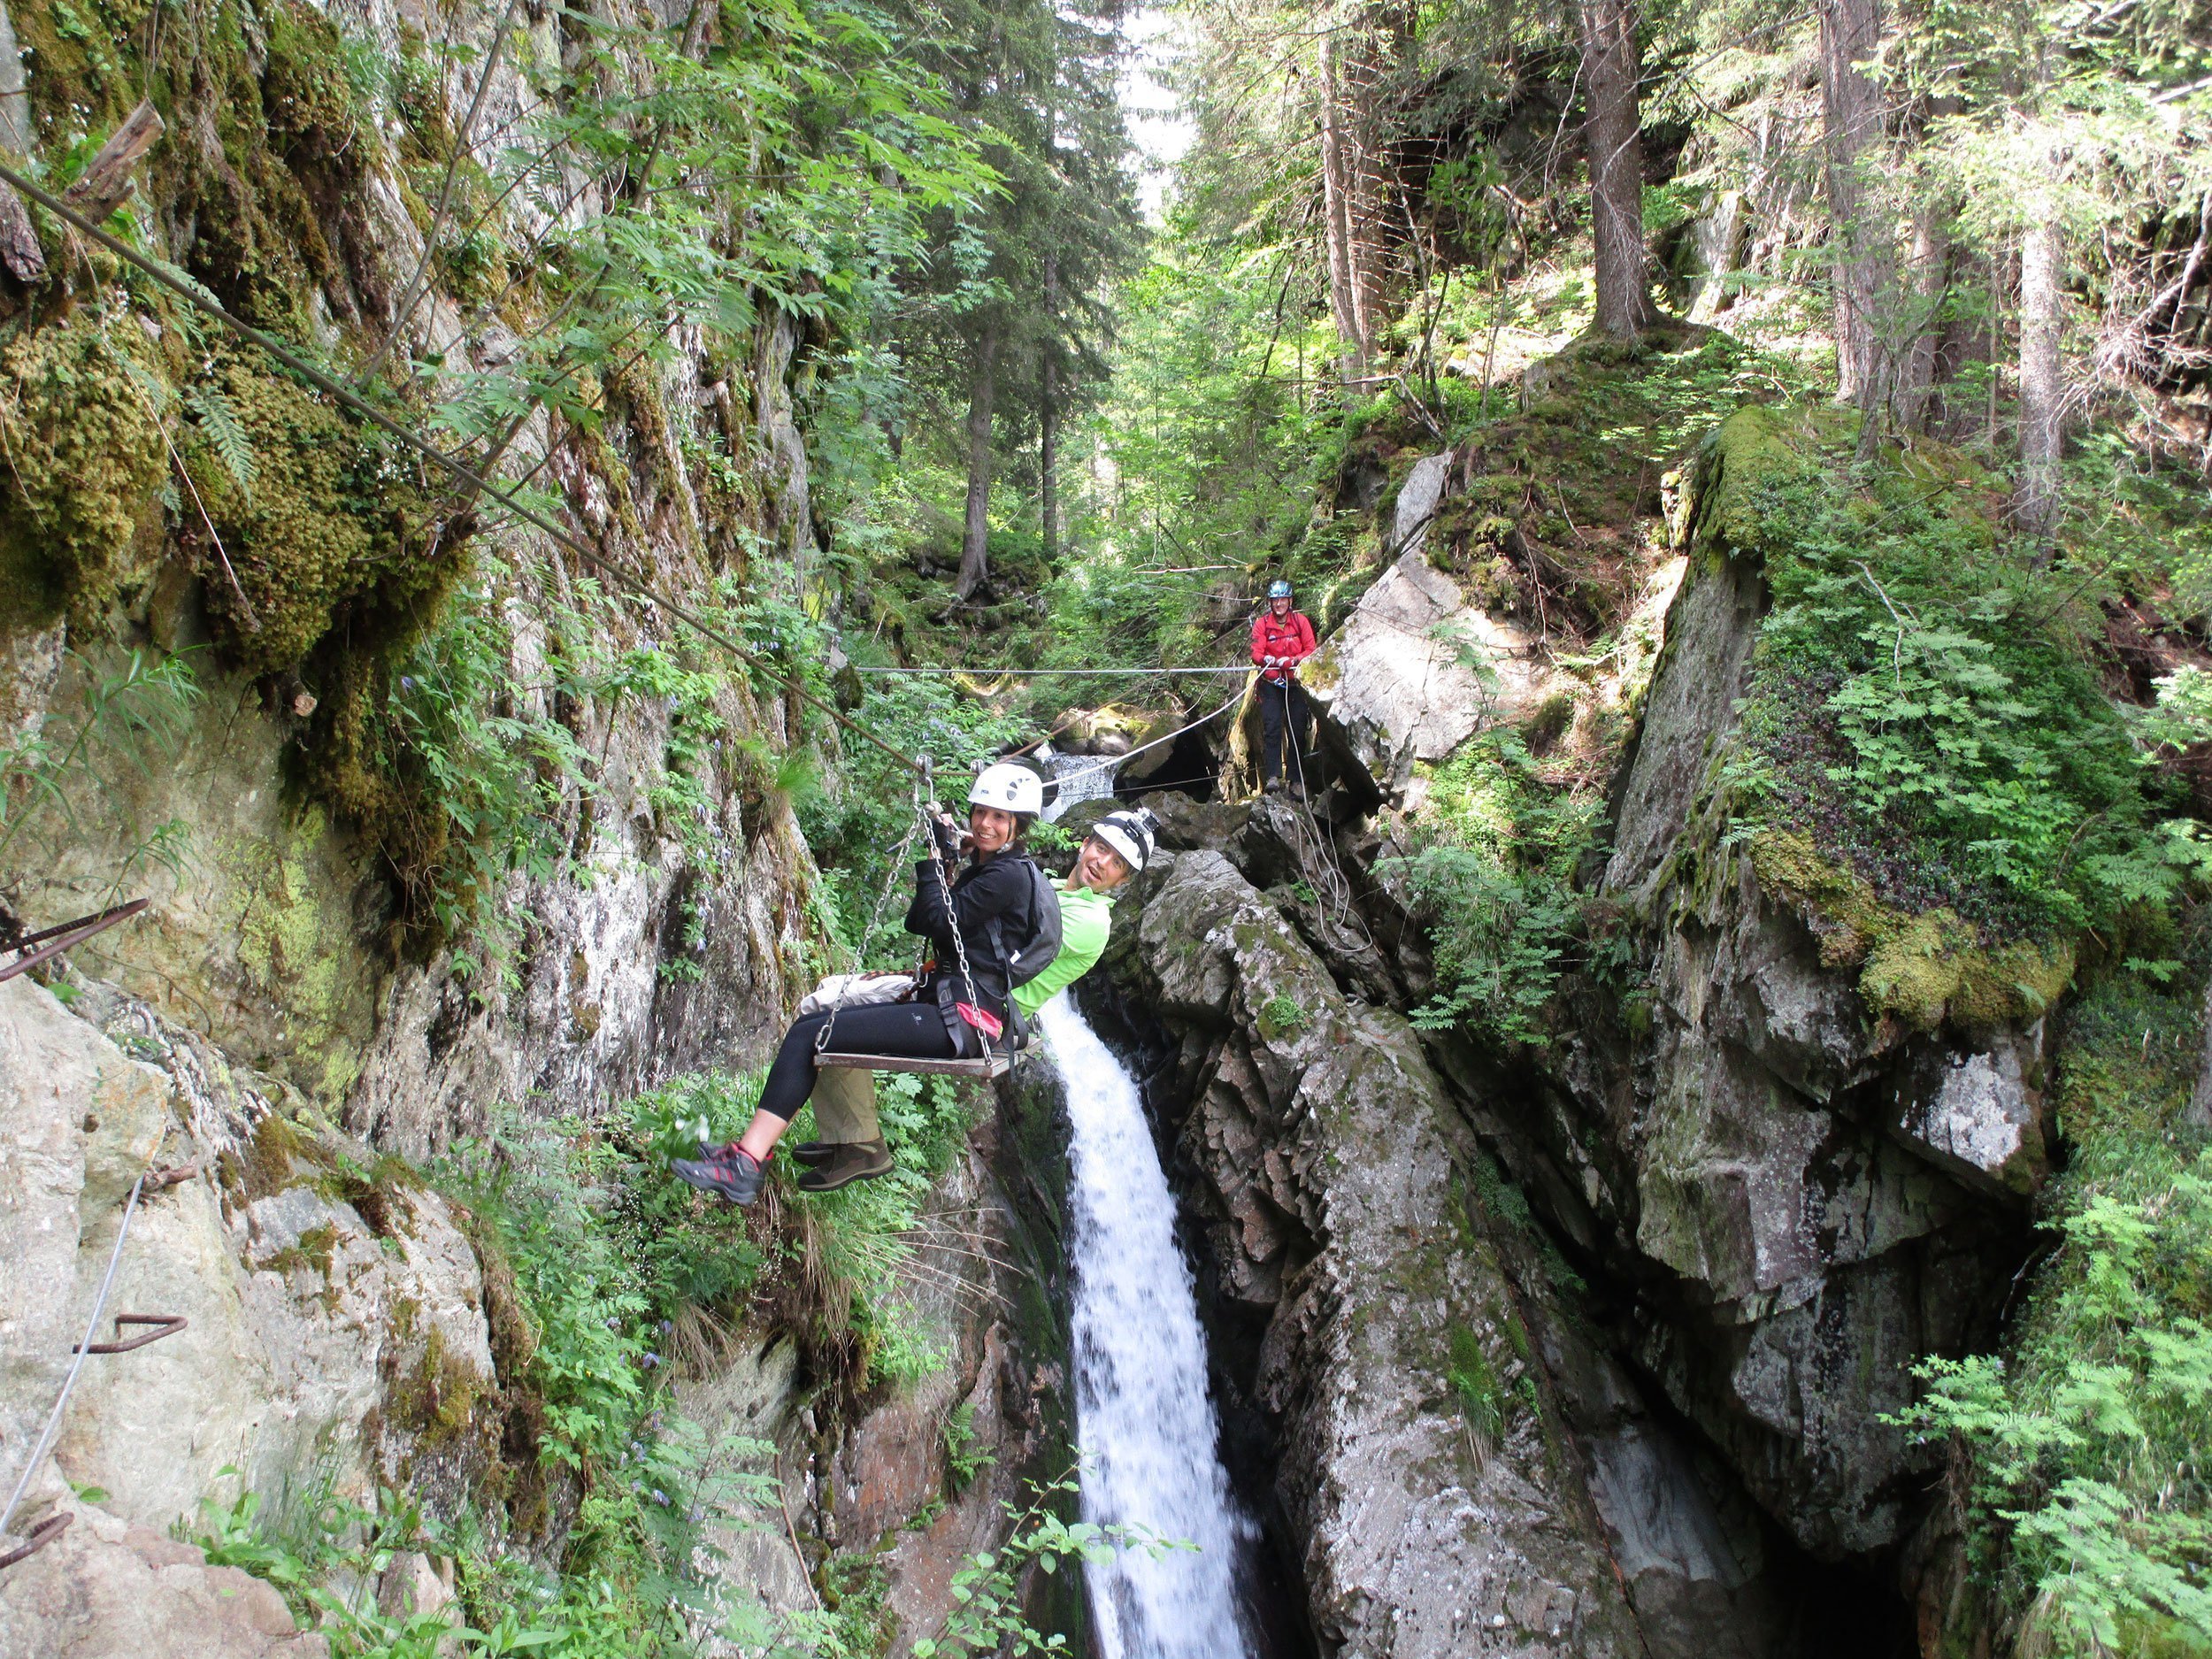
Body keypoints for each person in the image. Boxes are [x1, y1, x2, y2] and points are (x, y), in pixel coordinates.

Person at [672, 764, 1056, 1208]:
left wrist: (936, 861)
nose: (985, 824)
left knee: (813, 1032)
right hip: (955, 1009)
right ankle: (833, 1147)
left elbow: (929, 918)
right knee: (817, 1023)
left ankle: (746, 1163)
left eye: (1000, 819)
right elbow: (943, 918)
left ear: (1018, 826)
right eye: (981, 813)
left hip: (963, 1019)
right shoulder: (998, 869)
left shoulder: (1007, 876)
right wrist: (953, 857)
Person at [790, 807, 1156, 1192]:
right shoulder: (1043, 883)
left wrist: (965, 861)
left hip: (978, 1007)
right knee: (829, 995)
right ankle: (851, 1136)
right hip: (955, 986)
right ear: (1085, 844)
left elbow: (971, 924)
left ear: (1122, 880)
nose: (1102, 862)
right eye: (1101, 848)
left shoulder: (1090, 922)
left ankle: (856, 1141)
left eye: (1116, 863)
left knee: (822, 1006)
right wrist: (976, 857)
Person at [1250, 578, 1317, 797]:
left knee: (1297, 730)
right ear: (1271, 602)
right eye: (1275, 600)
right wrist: (1267, 659)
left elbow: (1311, 649)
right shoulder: (1263, 624)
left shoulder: (1300, 622)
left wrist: (1294, 660)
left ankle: (1295, 780)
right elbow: (1256, 653)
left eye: (1283, 600)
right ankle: (1272, 776)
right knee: (1272, 728)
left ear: (1289, 601)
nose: (1279, 604)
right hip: (1271, 684)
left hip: (1294, 683)